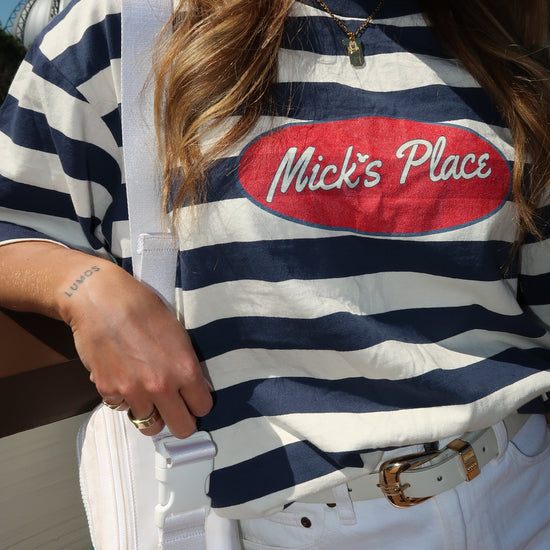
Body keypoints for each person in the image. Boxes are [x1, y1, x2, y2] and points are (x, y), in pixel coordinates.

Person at [1, 0, 550, 547]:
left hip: (525, 484)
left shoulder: (493, 32)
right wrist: (86, 291)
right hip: (294, 523)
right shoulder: (129, 27)